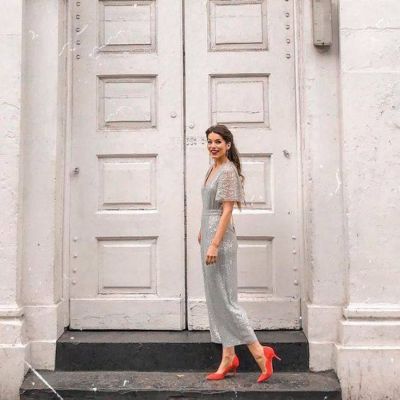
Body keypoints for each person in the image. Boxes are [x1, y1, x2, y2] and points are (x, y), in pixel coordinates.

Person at [198, 124, 281, 383]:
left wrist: (214, 243)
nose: (213, 146)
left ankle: (259, 352)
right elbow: (209, 207)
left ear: (228, 145)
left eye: (218, 142)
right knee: (217, 298)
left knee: (226, 300)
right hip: (209, 234)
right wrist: (202, 231)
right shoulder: (212, 168)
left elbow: (226, 210)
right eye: (210, 141)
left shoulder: (228, 171)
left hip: (220, 240)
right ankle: (228, 356)